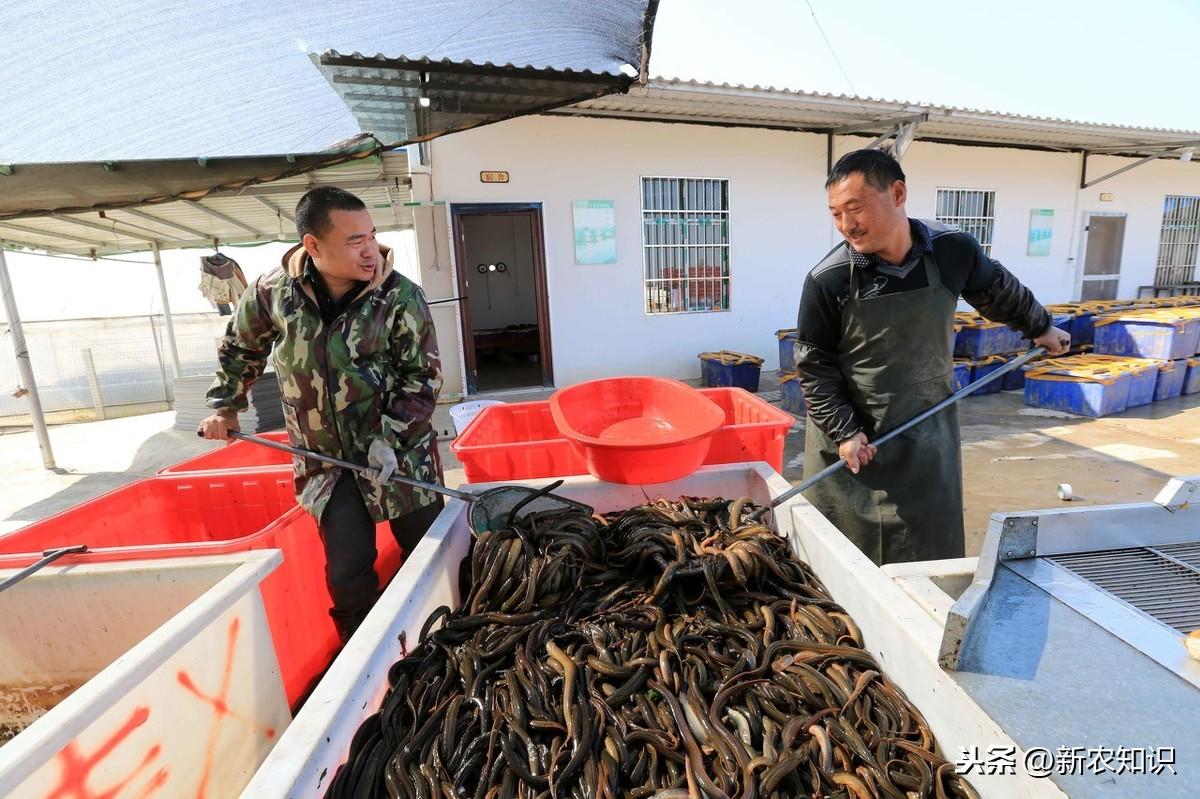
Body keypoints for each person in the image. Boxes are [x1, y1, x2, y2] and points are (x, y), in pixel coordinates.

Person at [795, 148, 1070, 565]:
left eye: (856, 208)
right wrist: (845, 431)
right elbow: (814, 365)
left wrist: (1041, 327)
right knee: (842, 565)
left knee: (927, 557)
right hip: (853, 441)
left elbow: (996, 289)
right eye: (835, 213)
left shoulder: (951, 251)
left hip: (926, 432)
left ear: (898, 192)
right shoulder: (829, 278)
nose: (846, 225)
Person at [199, 185, 442, 642]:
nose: (370, 249)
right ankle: (366, 663)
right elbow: (241, 346)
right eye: (354, 241)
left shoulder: (399, 297)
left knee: (432, 556)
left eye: (371, 235)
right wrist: (227, 404)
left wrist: (389, 436)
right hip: (327, 465)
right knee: (348, 576)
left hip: (404, 459)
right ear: (313, 245)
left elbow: (422, 377)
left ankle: (443, 641)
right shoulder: (274, 292)